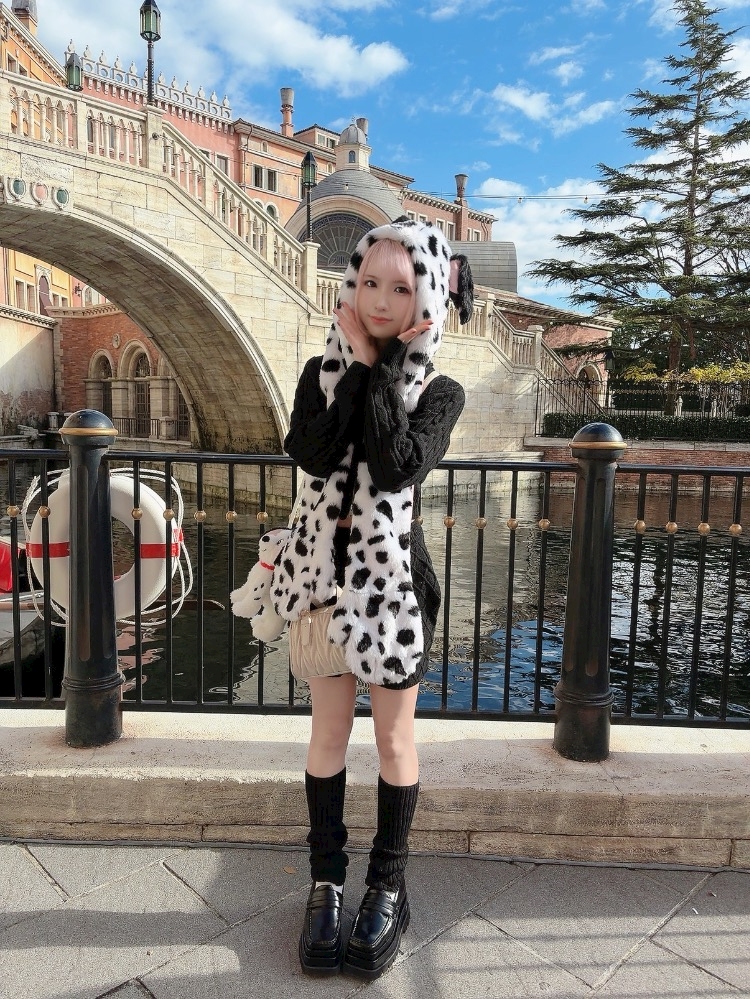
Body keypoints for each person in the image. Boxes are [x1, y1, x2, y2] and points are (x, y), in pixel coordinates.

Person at [276, 218, 472, 979]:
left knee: (394, 741)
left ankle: (388, 886)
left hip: (394, 591)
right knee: (328, 734)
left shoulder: (441, 391)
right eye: (368, 283)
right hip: (324, 583)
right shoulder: (319, 373)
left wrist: (382, 374)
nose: (381, 300)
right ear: (350, 287)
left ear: (427, 296)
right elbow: (310, 451)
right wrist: (355, 369)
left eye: (399, 286)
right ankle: (326, 881)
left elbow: (396, 466)